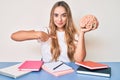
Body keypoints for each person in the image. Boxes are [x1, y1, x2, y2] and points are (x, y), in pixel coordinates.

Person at [11, 1, 97, 62]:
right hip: (47, 73)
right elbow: (14, 36)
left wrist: (82, 33)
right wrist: (39, 34)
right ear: (52, 16)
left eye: (63, 15)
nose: (59, 19)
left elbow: (79, 59)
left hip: (67, 74)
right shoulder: (45, 30)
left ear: (68, 17)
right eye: (56, 15)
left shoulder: (74, 34)